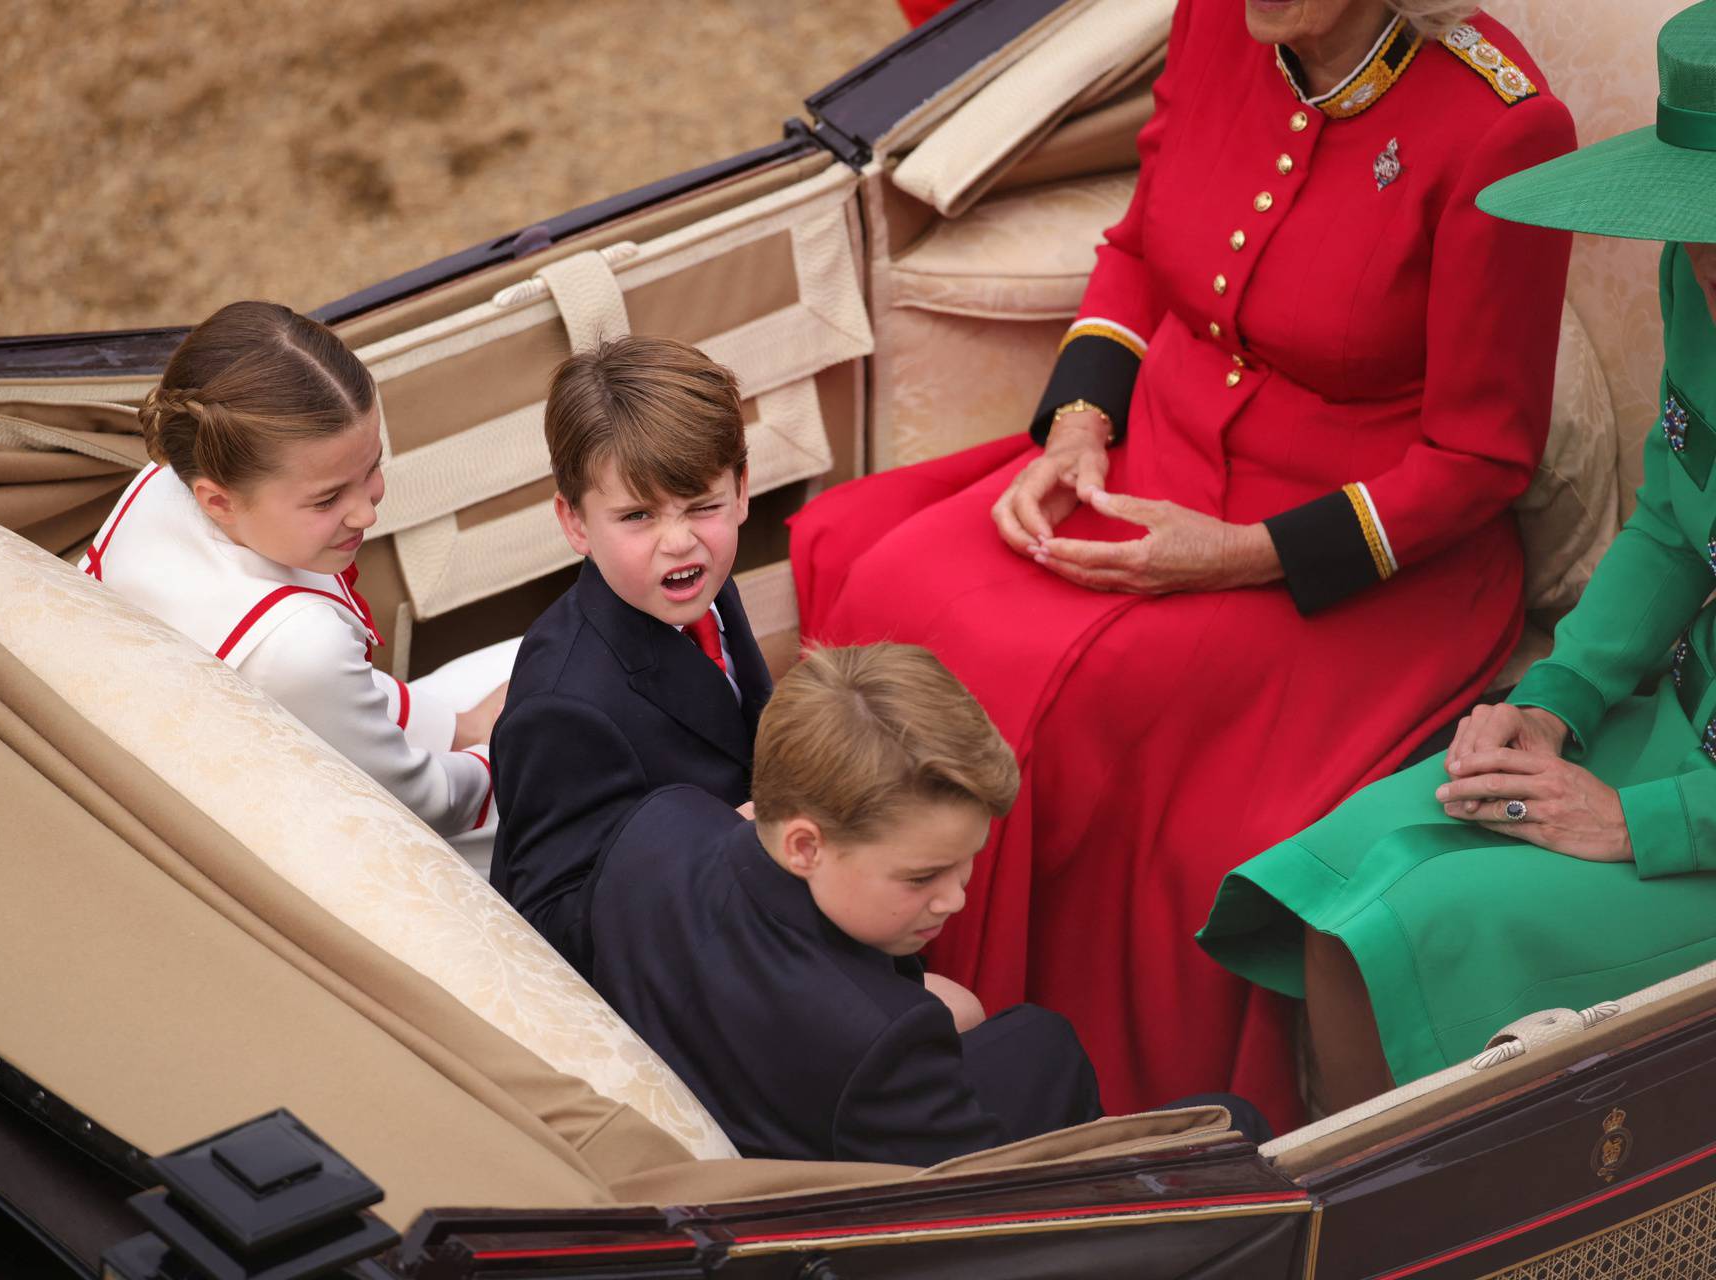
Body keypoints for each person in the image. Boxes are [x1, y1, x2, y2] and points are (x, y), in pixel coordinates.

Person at [789, 0, 1576, 1132]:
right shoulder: (1222, 18)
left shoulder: (1502, 125)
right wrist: (1077, 427)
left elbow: (1479, 458)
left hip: (1355, 552)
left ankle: (1042, 1094)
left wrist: (1243, 553)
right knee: (888, 576)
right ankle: (861, 1001)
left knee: (1075, 695)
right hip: (1154, 447)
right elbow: (1139, 249)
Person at [1200, 0, 1716, 1112]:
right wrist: (1558, 695)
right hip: (1672, 717)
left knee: (1416, 928)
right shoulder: (1701, 274)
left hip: (1699, 827)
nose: (1709, 266)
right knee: (1332, 885)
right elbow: (1677, 521)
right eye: (1697, 224)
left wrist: (1643, 822)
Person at [589, 644, 1101, 1164]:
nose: (956, 898)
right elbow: (977, 1190)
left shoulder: (660, 819)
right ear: (805, 847)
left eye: (968, 857)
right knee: (1048, 1043)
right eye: (922, 876)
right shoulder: (879, 1047)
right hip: (827, 1165)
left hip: (729, 1069)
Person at [82, 300, 500, 837]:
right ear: (219, 501)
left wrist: (460, 727)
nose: (367, 512)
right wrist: (511, 751)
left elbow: (320, 697)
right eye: (327, 500)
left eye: (372, 466)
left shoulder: (158, 485)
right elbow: (424, 806)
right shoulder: (302, 645)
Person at [490, 336, 772, 975]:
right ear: (575, 523)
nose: (680, 541)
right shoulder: (565, 706)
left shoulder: (700, 584)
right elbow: (551, 922)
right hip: (685, 963)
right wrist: (734, 844)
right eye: (638, 515)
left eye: (703, 506)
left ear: (742, 491)